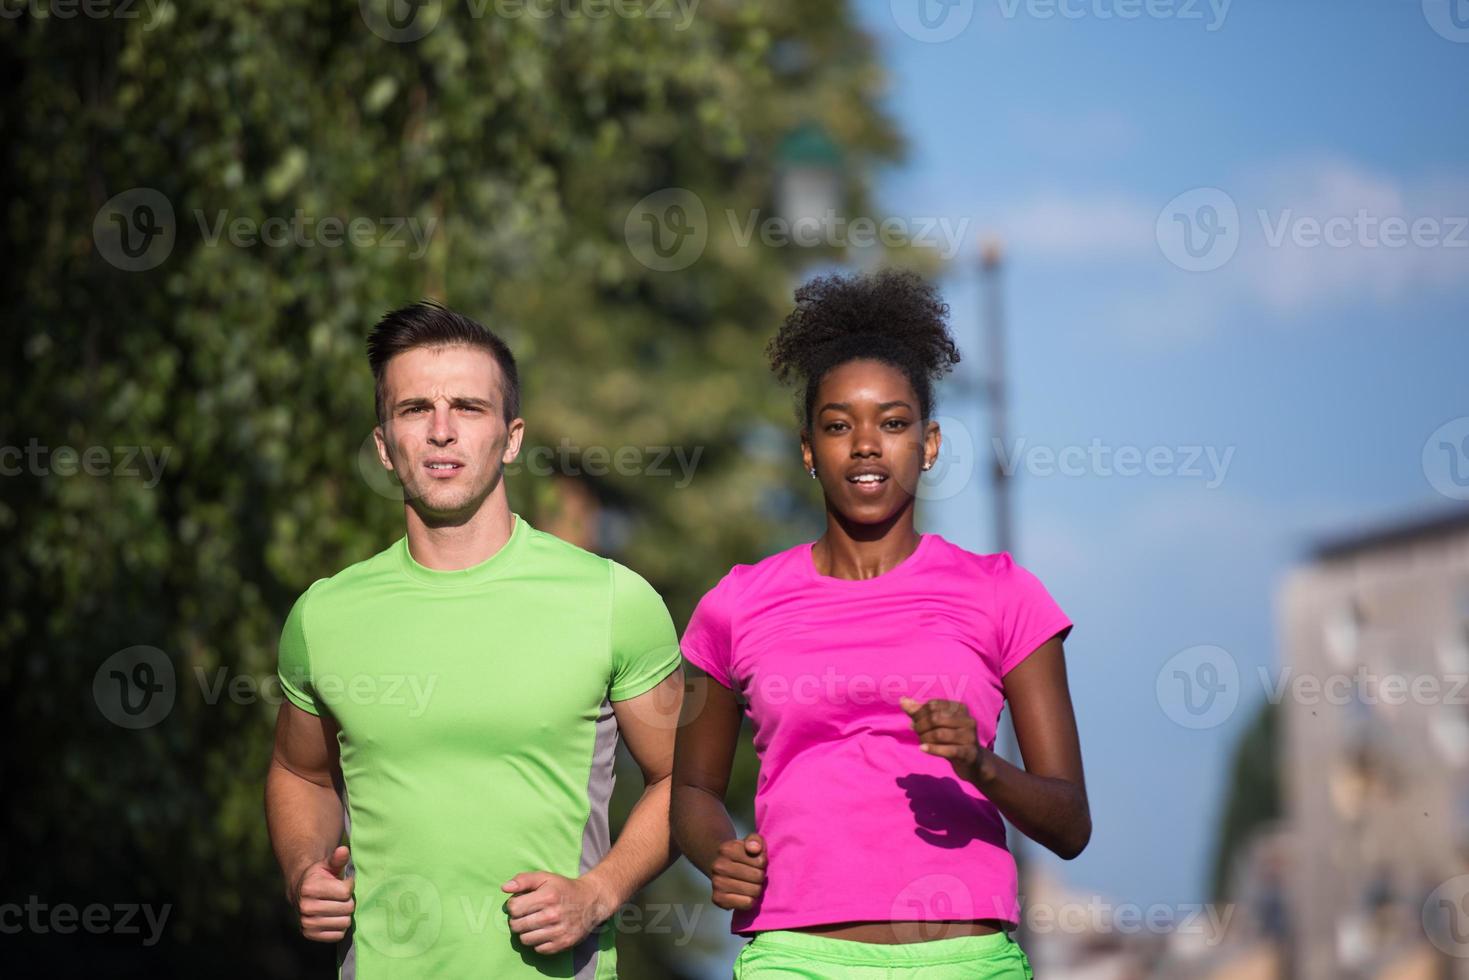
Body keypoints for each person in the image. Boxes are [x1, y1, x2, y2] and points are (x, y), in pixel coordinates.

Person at [671, 269, 1089, 979]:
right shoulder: (735, 605)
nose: (866, 445)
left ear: (927, 445)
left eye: (892, 424)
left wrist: (979, 764)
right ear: (807, 449)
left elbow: (1070, 822)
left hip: (964, 957)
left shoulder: (1003, 595)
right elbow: (689, 790)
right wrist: (719, 851)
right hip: (796, 956)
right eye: (838, 426)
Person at [265, 301, 684, 978]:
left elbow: (682, 779)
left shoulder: (612, 600)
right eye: (413, 409)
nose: (440, 432)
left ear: (510, 437)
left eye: (466, 406)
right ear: (382, 445)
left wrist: (597, 893)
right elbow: (298, 772)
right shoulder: (325, 615)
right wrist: (302, 868)